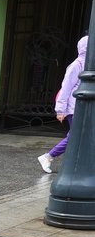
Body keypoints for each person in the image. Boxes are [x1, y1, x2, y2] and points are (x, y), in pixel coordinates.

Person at [38, 35, 87, 173]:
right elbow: (65, 88)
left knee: (80, 135)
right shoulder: (76, 65)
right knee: (76, 135)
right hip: (74, 108)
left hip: (81, 107)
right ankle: (49, 156)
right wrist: (60, 110)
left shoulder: (87, 65)